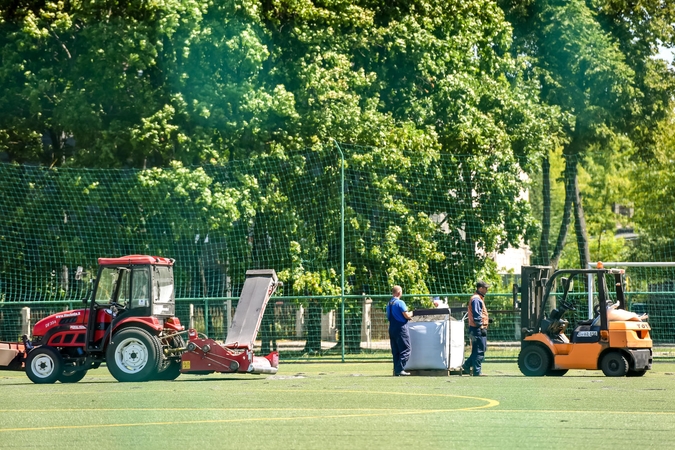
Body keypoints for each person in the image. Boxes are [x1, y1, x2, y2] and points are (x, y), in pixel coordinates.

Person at [462, 280, 490, 376]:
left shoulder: (477, 298)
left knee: (476, 350)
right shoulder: (477, 299)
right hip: (477, 328)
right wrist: (481, 326)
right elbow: (477, 314)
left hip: (474, 328)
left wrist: (487, 320)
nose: (487, 290)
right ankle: (476, 371)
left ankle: (466, 366)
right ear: (480, 288)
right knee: (480, 350)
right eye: (485, 288)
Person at [386, 285, 414, 376]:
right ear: (398, 292)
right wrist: (411, 315)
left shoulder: (389, 303)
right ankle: (400, 369)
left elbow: (388, 316)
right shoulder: (400, 302)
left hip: (392, 328)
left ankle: (396, 370)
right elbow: (406, 315)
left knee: (396, 350)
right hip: (401, 328)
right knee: (406, 349)